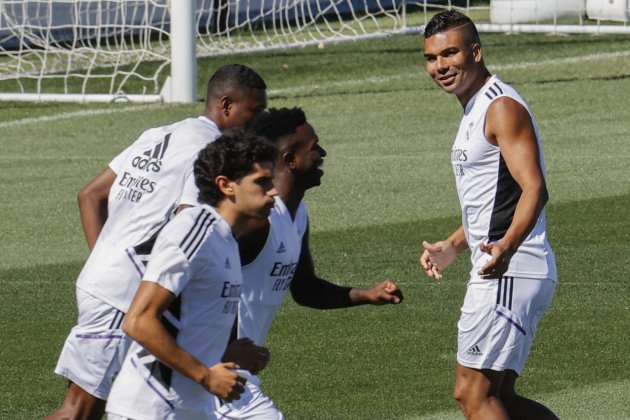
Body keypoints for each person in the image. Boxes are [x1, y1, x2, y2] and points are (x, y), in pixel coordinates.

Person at [48, 64, 267, 420]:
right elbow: (189, 226)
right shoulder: (209, 151)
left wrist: (108, 262)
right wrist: (125, 281)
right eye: (254, 112)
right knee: (79, 412)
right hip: (122, 296)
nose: (257, 123)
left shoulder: (162, 133)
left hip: (112, 285)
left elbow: (90, 194)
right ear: (227, 105)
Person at [212, 108, 404, 419]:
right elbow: (198, 279)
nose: (322, 152)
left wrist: (366, 295)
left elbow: (305, 289)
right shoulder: (257, 222)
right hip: (216, 372)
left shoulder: (297, 216)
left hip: (232, 372)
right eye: (313, 146)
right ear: (290, 159)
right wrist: (224, 348)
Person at [418, 10, 558, 420]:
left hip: (510, 271)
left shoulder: (500, 107)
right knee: (501, 399)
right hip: (506, 268)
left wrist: (507, 249)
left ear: (475, 52)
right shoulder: (476, 107)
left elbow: (535, 189)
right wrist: (453, 245)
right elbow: (497, 200)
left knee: (472, 395)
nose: (440, 66)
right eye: (431, 58)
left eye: (450, 53)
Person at [105, 129, 278, 419]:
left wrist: (225, 356)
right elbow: (138, 321)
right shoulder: (194, 229)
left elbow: (184, 326)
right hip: (150, 408)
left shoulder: (226, 241)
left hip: (192, 408)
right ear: (226, 185)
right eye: (262, 182)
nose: (273, 190)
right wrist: (206, 376)